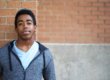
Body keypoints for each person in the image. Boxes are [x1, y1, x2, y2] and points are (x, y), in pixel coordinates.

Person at [0, 8, 56, 80]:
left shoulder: (45, 54)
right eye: (20, 23)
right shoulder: (3, 53)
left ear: (35, 27)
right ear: (16, 28)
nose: (25, 26)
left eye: (29, 23)